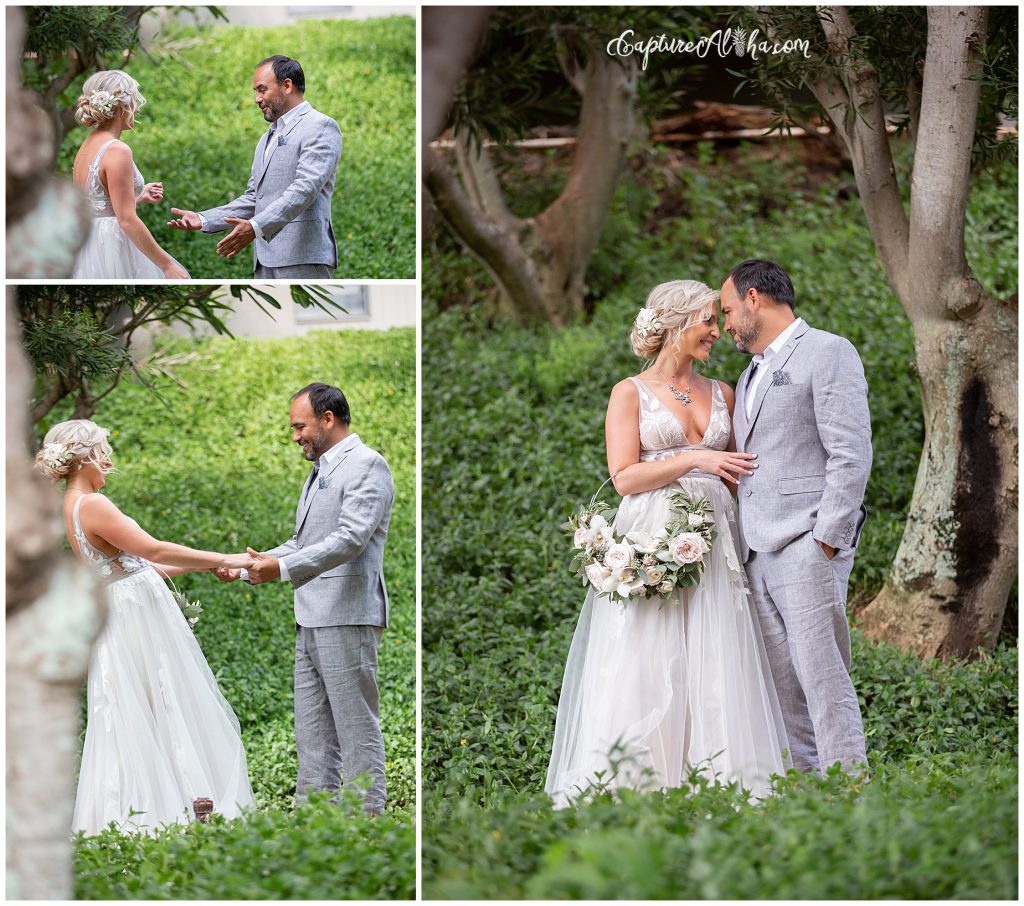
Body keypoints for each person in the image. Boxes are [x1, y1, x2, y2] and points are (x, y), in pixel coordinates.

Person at [545, 280, 791, 809]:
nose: (716, 332)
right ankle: (639, 782)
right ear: (676, 325)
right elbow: (625, 477)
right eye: (706, 321)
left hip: (719, 538)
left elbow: (741, 472)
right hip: (654, 532)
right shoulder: (628, 392)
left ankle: (721, 779)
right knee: (649, 654)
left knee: (717, 649)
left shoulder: (725, 391)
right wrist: (697, 459)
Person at [35, 420, 254, 835]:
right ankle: (172, 814)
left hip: (126, 611)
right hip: (135, 621)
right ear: (82, 458)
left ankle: (168, 810)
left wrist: (208, 567)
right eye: (102, 450)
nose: (109, 458)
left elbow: (136, 567)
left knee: (142, 709)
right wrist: (229, 556)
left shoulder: (74, 502)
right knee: (163, 702)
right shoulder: (93, 504)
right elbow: (152, 548)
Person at [721, 258, 872, 777]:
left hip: (808, 544)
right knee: (782, 686)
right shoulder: (747, 376)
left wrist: (825, 541)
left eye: (727, 310)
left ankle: (850, 788)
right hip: (756, 551)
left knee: (823, 678)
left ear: (755, 298)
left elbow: (850, 454)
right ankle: (809, 799)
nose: (725, 325)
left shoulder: (828, 352)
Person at [219, 383, 394, 814]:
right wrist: (243, 565)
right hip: (311, 615)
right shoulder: (320, 470)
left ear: (328, 420)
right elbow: (302, 542)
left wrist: (278, 569)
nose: (295, 436)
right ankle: (315, 822)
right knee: (312, 730)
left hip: (347, 614)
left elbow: (351, 538)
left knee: (355, 728)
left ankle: (365, 825)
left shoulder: (367, 465)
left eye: (300, 426)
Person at [167, 55, 341, 278]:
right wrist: (203, 219)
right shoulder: (265, 139)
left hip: (303, 257)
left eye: (262, 89)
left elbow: (305, 189)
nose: (257, 99)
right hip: (264, 261)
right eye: (255, 91)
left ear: (286, 85)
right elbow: (254, 198)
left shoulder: (320, 126)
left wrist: (255, 227)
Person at [71, 70, 189, 279]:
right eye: (133, 101)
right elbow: (126, 219)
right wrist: (167, 265)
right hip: (110, 247)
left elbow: (101, 206)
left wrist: (138, 197)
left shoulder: (88, 144)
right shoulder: (117, 150)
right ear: (120, 108)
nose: (137, 108)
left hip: (88, 242)